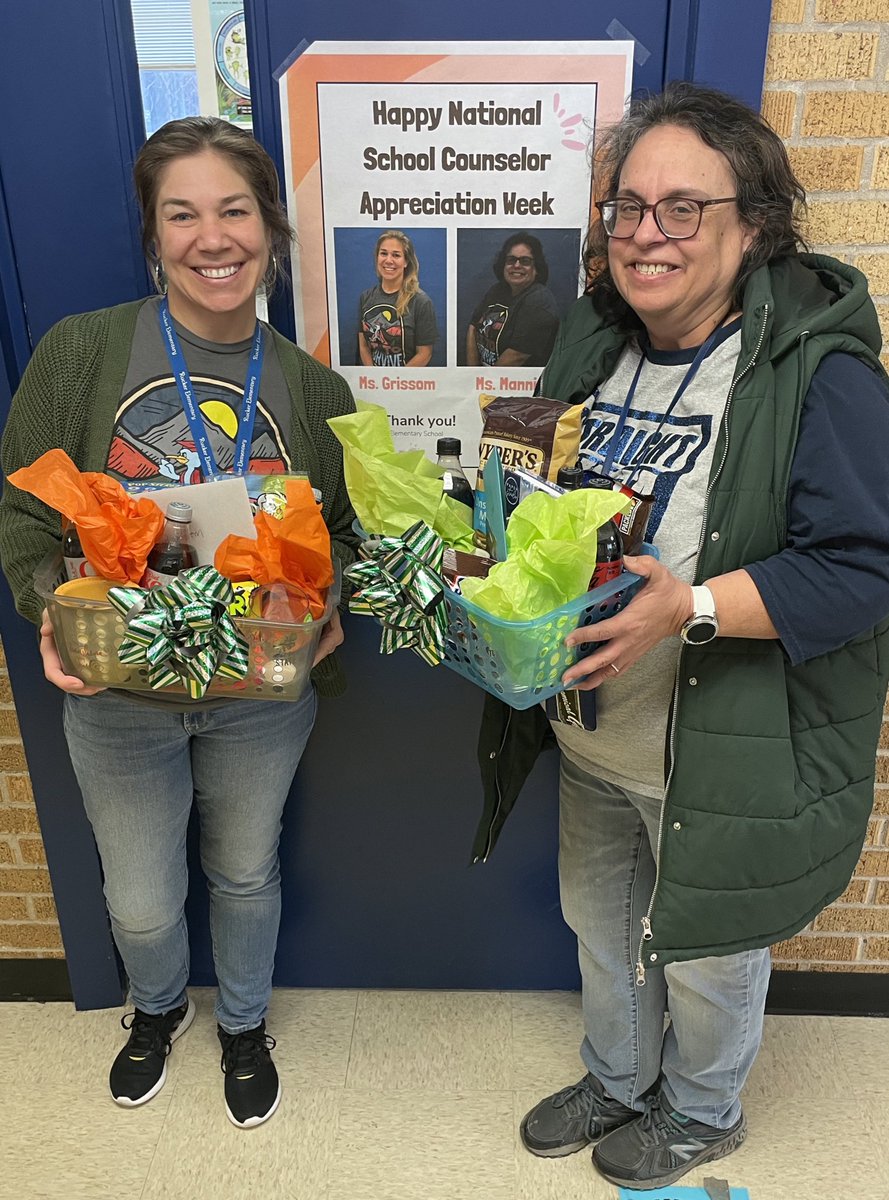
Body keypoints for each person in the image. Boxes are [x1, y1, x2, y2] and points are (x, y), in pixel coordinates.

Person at [475, 82, 889, 1190]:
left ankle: (702, 1109)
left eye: (681, 209)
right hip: (588, 729)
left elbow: (863, 569)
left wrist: (690, 606)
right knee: (601, 926)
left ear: (751, 224)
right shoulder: (592, 344)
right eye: (626, 207)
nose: (645, 233)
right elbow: (539, 504)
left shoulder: (816, 370)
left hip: (712, 748)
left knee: (705, 951)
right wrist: (477, 564)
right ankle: (617, 1074)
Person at [0, 117, 358, 1129]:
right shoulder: (80, 354)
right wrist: (48, 610)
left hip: (257, 694)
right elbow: (22, 519)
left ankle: (243, 1024)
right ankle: (154, 1011)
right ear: (154, 237)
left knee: (246, 872)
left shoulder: (314, 390)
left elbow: (342, 539)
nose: (213, 237)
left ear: (269, 228)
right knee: (143, 900)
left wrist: (325, 613)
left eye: (234, 210)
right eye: (182, 213)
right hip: (117, 692)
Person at [465, 231, 559, 368]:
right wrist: (472, 374)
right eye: (511, 260)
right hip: (482, 382)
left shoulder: (540, 301)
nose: (516, 265)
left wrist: (481, 385)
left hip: (514, 385)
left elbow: (516, 357)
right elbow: (473, 327)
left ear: (536, 268)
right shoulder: (497, 290)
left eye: (525, 261)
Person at [357, 230, 438, 367]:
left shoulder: (421, 302)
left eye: (396, 255)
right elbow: (364, 346)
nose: (389, 260)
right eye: (383, 253)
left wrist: (395, 382)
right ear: (377, 257)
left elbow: (425, 353)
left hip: (407, 384)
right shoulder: (365, 298)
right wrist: (374, 378)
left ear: (406, 261)